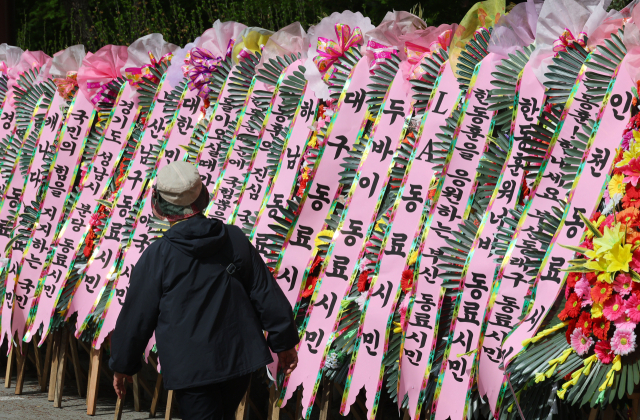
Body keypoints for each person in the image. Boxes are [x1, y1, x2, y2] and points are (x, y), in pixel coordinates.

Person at [109, 161, 299, 419]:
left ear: (161, 206)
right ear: (202, 197)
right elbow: (266, 293)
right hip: (238, 360)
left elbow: (137, 316)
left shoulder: (158, 255)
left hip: (192, 368)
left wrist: (122, 365)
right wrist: (284, 342)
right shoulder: (233, 239)